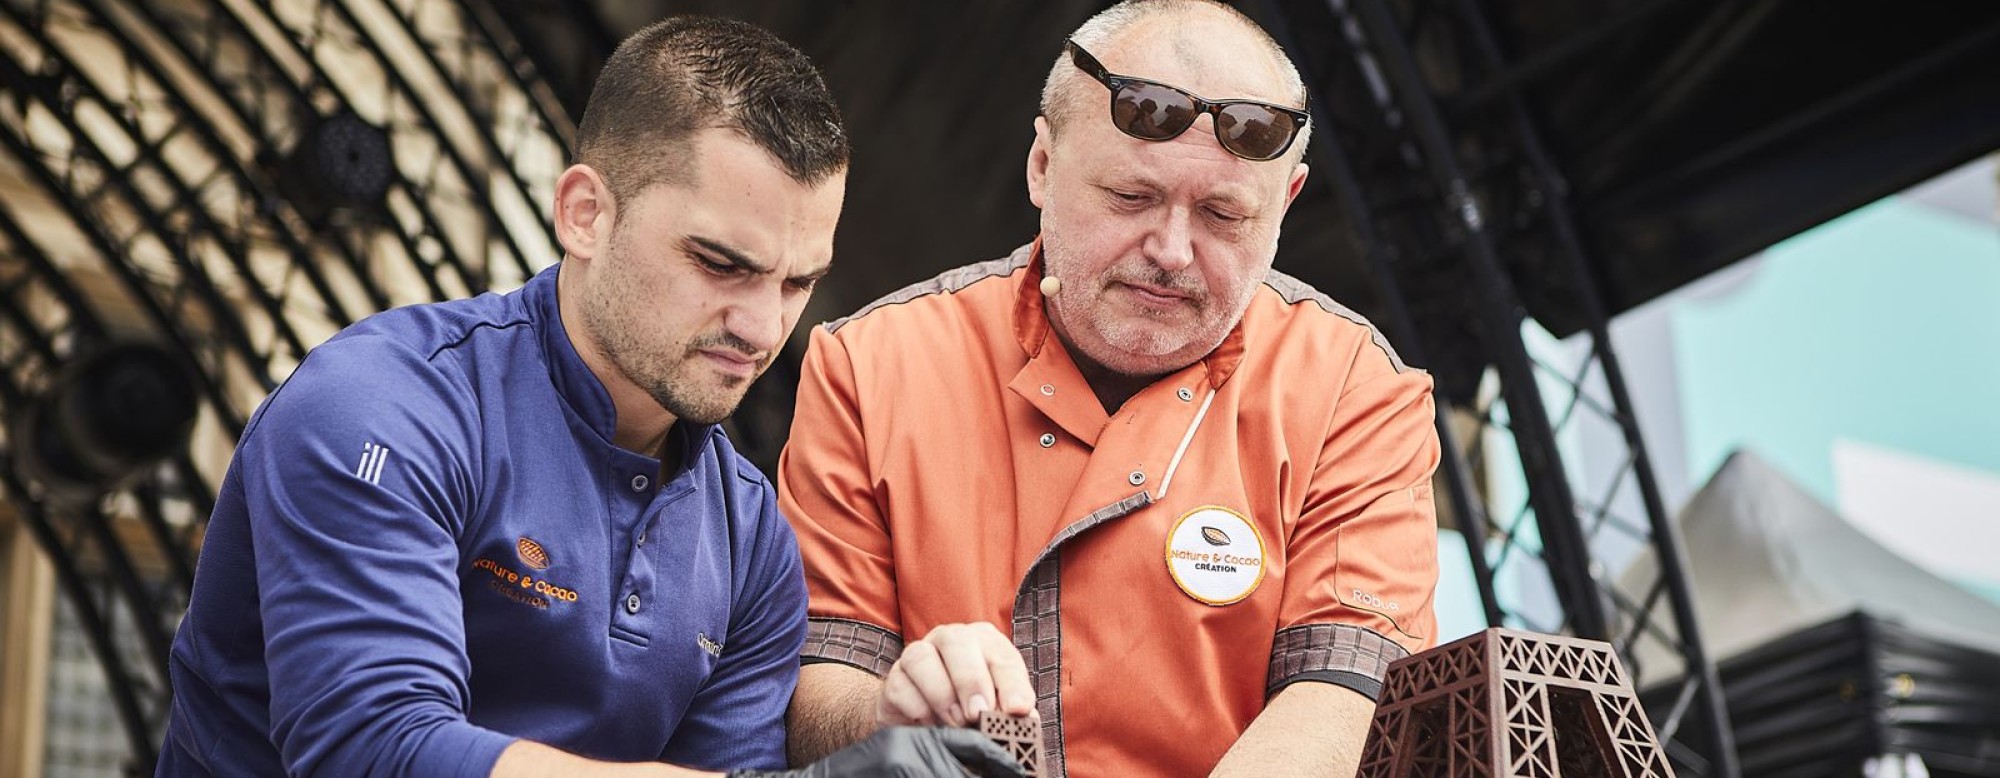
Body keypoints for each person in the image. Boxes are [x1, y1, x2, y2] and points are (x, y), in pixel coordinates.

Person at [157, 16, 1019, 778]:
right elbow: (374, 749)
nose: (762, 327)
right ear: (583, 214)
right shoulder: (382, 404)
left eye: (799, 284)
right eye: (721, 264)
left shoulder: (752, 540)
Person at [778, 1, 1443, 775]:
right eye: (1131, 198)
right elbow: (811, 690)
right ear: (1041, 166)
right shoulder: (871, 363)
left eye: (1224, 216)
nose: (1170, 251)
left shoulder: (1355, 388)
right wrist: (888, 708)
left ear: (1285, 205)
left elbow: (1348, 693)